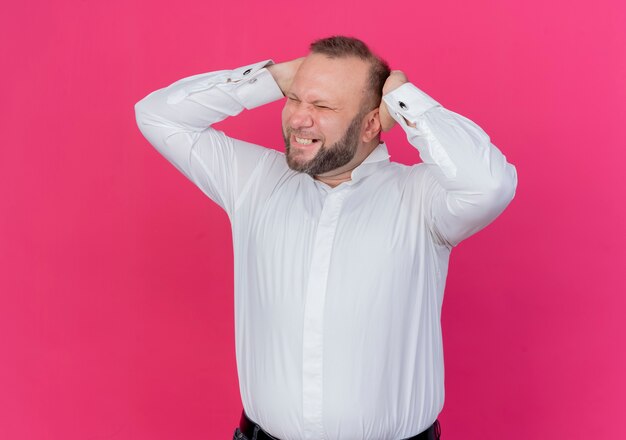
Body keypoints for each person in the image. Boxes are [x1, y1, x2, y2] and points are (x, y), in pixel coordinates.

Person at [134, 35, 517, 440]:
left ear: (372, 123)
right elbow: (157, 115)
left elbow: (489, 184)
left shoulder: (424, 200)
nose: (299, 118)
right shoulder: (253, 181)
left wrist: (403, 98)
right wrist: (273, 78)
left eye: (322, 106)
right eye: (295, 99)